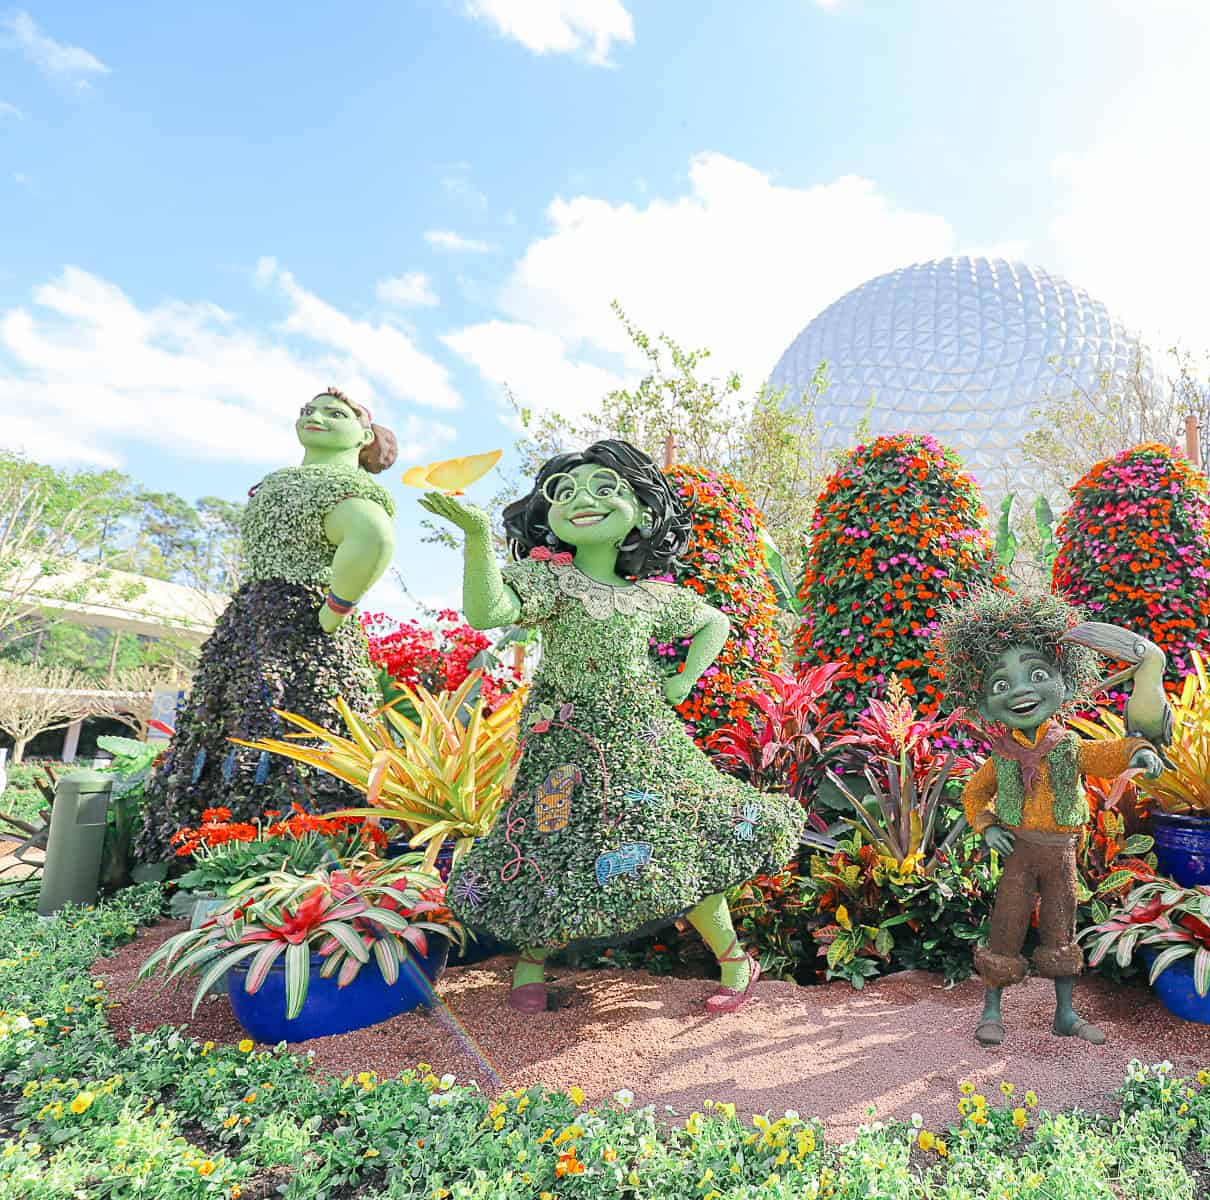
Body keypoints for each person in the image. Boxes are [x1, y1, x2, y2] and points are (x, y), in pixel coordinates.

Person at [421, 440, 803, 1014]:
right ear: (548, 515)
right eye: (565, 492)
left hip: (644, 743)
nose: (582, 500)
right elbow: (488, 612)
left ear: (644, 514)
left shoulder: (651, 596)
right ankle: (530, 965)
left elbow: (714, 622)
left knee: (680, 840)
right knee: (548, 845)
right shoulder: (550, 582)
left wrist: (681, 681)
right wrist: (477, 537)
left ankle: (734, 960)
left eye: (605, 488)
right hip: (563, 746)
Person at [139, 389, 397, 858]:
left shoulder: (351, 489)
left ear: (363, 435)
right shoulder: (278, 482)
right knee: (227, 719)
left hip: (304, 626)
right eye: (308, 410)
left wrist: (335, 608)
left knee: (300, 725)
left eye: (334, 413)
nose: (315, 416)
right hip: (248, 622)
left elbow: (372, 535)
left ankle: (300, 847)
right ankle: (209, 843)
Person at [936, 587, 1166, 1047]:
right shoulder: (1000, 756)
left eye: (1036, 675)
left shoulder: (1068, 747)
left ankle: (1065, 1013)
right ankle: (992, 1011)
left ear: (1063, 682)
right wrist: (987, 825)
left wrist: (1140, 751)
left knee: (1062, 931)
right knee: (1006, 926)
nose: (1021, 691)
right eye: (1001, 686)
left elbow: (1107, 753)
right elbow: (972, 794)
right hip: (1020, 853)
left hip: (1061, 855)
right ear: (984, 705)